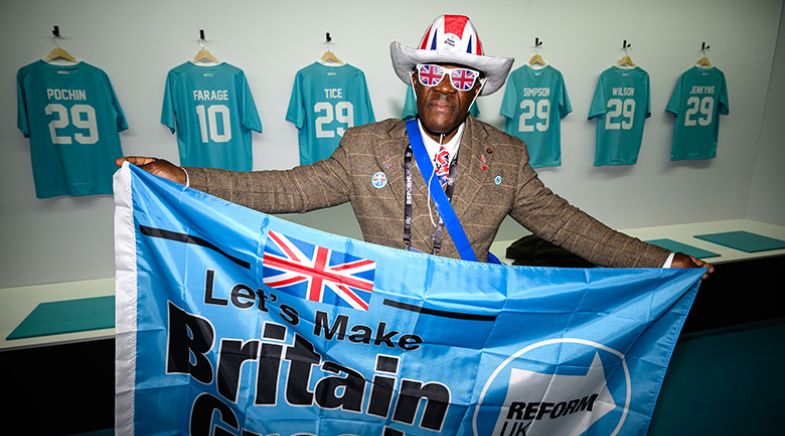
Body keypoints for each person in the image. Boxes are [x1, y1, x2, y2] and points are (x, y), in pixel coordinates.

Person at [118, 14, 713, 277]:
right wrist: (186, 177)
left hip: (471, 313)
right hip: (387, 319)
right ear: (415, 79)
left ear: (475, 89)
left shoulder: (506, 158)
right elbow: (285, 187)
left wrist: (660, 260)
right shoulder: (364, 146)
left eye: (458, 77)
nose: (442, 87)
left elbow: (568, 226)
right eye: (432, 71)